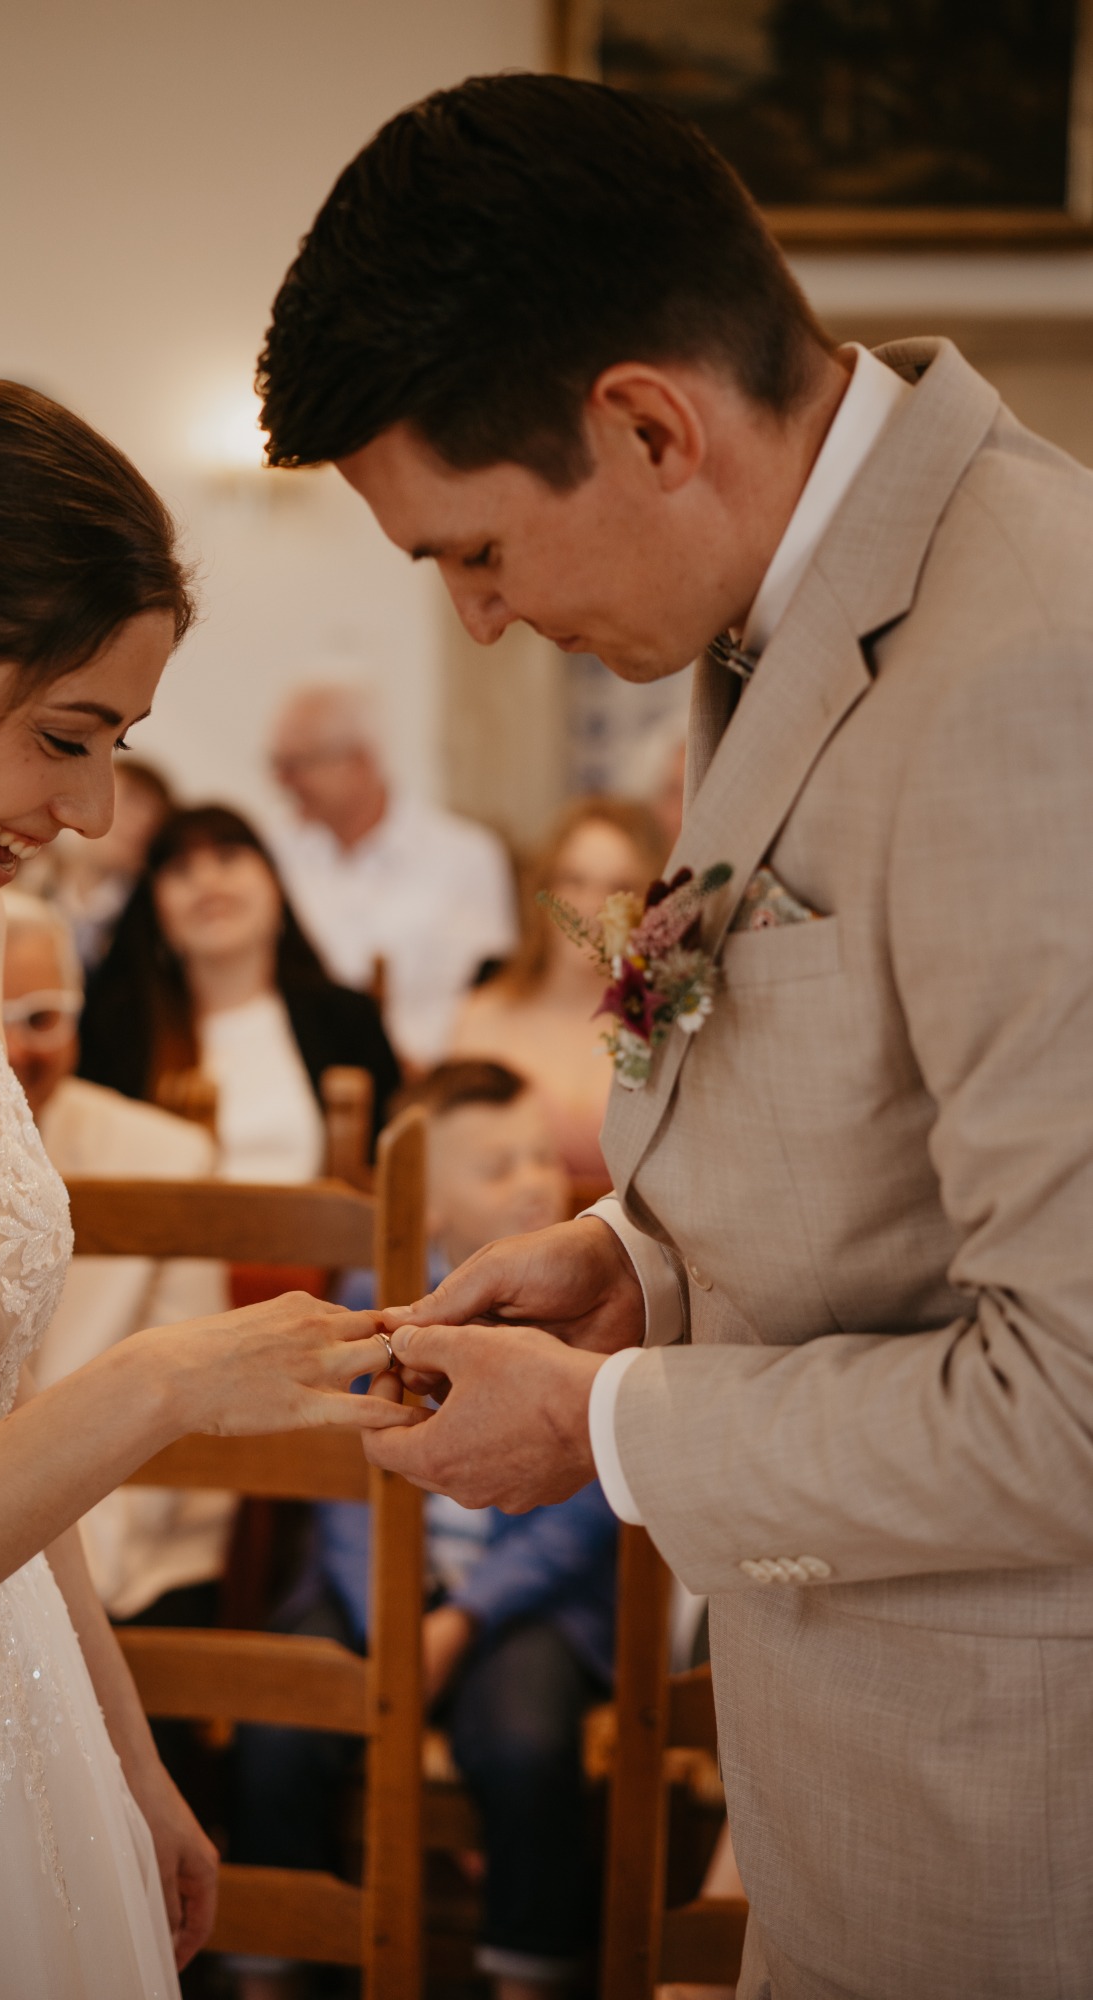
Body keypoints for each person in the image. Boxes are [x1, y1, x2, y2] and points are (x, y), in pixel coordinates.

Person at [255, 72, 1093, 1998]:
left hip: (1014, 1826)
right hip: (859, 1783)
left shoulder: (1028, 669)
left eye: (472, 551)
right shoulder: (793, 606)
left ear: (647, 425)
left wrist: (605, 1425)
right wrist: (635, 1258)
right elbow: (877, 1148)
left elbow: (1069, 1395)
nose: (477, 621)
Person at [0, 381, 416, 2000]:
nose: (95, 813)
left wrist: (125, 1758)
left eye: (117, 747)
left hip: (19, 1753)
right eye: (64, 737)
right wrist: (148, 1390)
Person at [229, 1061, 617, 2000]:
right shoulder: (374, 1292)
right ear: (427, 1205)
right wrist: (390, 1622)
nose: (534, 1182)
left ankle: (529, 1974)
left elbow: (583, 1514)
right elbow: (342, 1491)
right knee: (278, 1724)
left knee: (526, 1745)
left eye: (541, 1155)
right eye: (497, 1167)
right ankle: (268, 1965)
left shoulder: (588, 1311)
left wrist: (464, 1618)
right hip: (369, 1586)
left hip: (519, 1603)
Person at [1, 887, 235, 1626]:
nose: (14, 1050)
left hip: (134, 1543)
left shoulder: (169, 1158)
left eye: (41, 1018)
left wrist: (55, 1573)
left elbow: (184, 1398)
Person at [79, 803, 400, 1182]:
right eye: (181, 870)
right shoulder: (118, 1030)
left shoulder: (344, 1018)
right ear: (154, 909)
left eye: (228, 858)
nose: (208, 884)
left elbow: (391, 1168)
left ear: (275, 885)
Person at [266, 680, 517, 1066]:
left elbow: (490, 993)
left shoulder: (466, 855)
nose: (282, 781)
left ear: (359, 761)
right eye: (277, 764)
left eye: (298, 765)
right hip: (307, 1071)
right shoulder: (273, 852)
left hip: (430, 1072)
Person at [452, 798, 666, 1181]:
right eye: (573, 880)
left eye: (620, 888)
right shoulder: (482, 1018)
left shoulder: (671, 1029)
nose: (592, 906)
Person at [23, 754, 177, 970]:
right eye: (129, 802)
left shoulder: (145, 923)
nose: (136, 825)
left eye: (150, 817)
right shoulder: (29, 862)